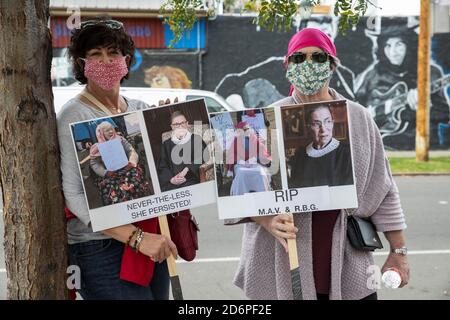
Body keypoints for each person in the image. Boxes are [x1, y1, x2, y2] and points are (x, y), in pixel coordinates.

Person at [226, 28, 409, 300]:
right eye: (298, 58)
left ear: (332, 65)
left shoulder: (358, 118)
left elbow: (384, 189)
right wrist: (267, 220)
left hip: (346, 261)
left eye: (318, 57)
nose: (308, 65)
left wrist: (399, 252)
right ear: (287, 65)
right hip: (280, 260)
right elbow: (237, 191)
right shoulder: (264, 121)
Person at [57, 18, 177, 300]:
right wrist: (136, 238)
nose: (106, 61)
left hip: (151, 233)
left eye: (113, 53)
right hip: (101, 247)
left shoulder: (139, 109)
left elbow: (159, 172)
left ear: (126, 60)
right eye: (96, 54)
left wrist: (167, 130)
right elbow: (74, 194)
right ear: (82, 63)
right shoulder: (73, 116)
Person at [355, 26, 450, 149]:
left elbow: (445, 115)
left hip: (423, 146)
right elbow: (359, 109)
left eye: (399, 44)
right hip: (384, 146)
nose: (393, 52)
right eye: (388, 46)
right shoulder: (373, 74)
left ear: (409, 46)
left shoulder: (430, 73)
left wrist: (425, 108)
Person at [288, 104, 353, 188]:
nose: (323, 129)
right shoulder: (300, 156)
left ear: (332, 123)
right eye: (316, 124)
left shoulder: (347, 153)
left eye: (328, 121)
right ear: (308, 127)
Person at [89, 121, 150, 206]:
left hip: (127, 168)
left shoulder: (120, 139)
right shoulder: (97, 148)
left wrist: (131, 162)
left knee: (135, 181)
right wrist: (105, 172)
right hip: (110, 174)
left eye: (111, 129)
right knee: (112, 191)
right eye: (107, 130)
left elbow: (131, 150)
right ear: (102, 133)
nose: (111, 132)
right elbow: (94, 163)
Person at [157, 111, 208, 191]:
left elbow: (203, 156)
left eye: (182, 123)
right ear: (172, 127)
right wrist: (171, 179)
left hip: (190, 179)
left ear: (187, 124)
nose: (180, 126)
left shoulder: (196, 139)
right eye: (176, 124)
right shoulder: (166, 145)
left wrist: (187, 170)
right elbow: (162, 166)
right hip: (172, 183)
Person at [225, 121, 272, 196]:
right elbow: (231, 154)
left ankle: (264, 195)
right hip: (240, 165)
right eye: (244, 130)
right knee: (241, 173)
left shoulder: (255, 138)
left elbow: (262, 150)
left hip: (255, 163)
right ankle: (241, 196)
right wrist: (240, 161)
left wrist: (254, 159)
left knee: (260, 172)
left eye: (247, 129)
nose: (246, 131)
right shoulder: (236, 141)